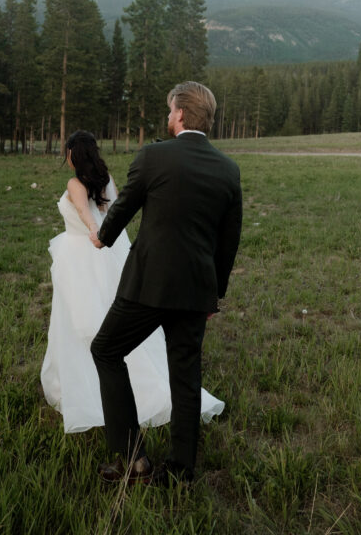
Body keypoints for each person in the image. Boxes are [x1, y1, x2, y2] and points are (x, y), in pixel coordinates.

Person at [89, 81, 243, 485]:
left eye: (169, 110)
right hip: (196, 290)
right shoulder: (228, 169)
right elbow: (228, 243)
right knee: (186, 378)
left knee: (106, 350)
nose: (167, 115)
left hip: (149, 286)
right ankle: (180, 471)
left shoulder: (153, 155)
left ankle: (132, 457)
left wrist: (102, 236)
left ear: (179, 114)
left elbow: (125, 205)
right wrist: (214, 295)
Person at [40, 129, 225, 434]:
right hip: (110, 255)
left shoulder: (75, 183)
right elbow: (113, 211)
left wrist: (94, 234)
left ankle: (87, 385)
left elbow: (88, 216)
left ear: (74, 154)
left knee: (80, 322)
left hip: (82, 254)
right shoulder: (106, 179)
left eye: (67, 151)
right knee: (101, 315)